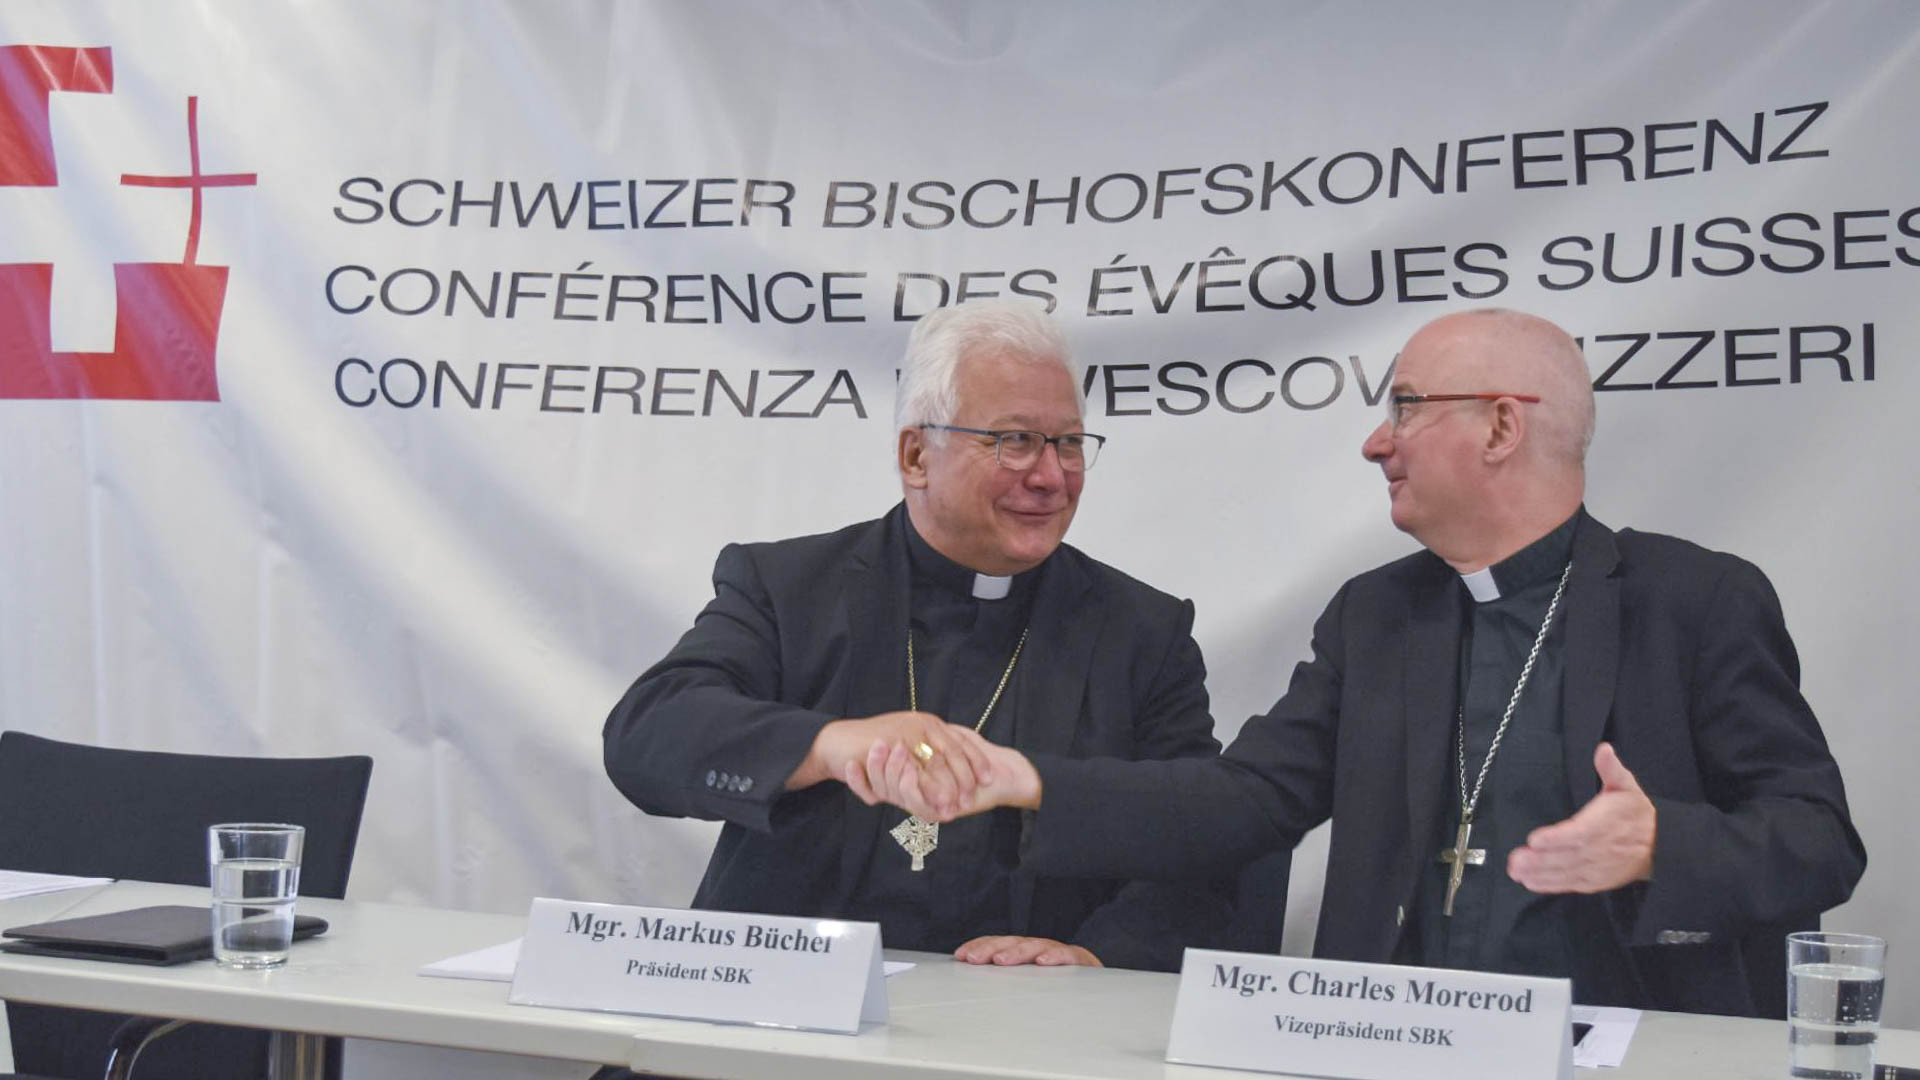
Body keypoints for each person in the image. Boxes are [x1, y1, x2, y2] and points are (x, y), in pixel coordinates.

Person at [851, 308, 1866, 1014]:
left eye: (1408, 407)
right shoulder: (1379, 617)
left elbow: (1818, 841)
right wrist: (1030, 782)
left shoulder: (1692, 602)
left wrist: (1662, 846)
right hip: (1388, 1044)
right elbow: (1242, 801)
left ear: (1502, 425)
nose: (1377, 443)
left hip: (1618, 1048)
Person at [602, 299, 1230, 971]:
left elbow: (1207, 840)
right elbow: (646, 735)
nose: (1051, 477)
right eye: (1015, 440)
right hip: (779, 1010)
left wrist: (1094, 956)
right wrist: (830, 743)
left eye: (1069, 443)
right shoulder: (787, 588)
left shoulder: (1144, 633)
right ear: (915, 455)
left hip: (1017, 1034)